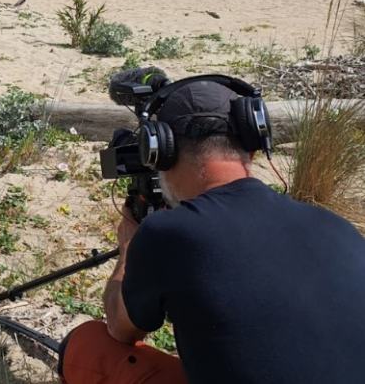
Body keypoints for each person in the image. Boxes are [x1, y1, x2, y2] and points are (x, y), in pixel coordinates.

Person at [59, 78, 365, 384]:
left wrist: (128, 250)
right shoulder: (337, 227)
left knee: (88, 346)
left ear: (160, 153)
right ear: (253, 146)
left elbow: (120, 327)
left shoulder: (168, 234)